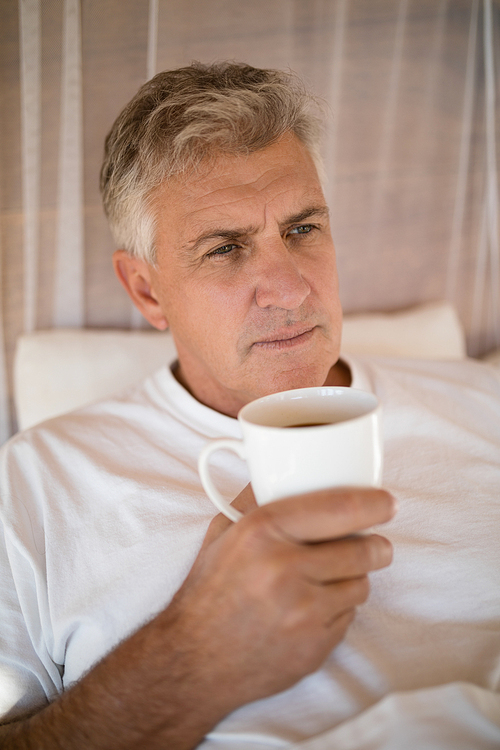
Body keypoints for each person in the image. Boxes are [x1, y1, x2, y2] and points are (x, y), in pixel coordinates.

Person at [0, 62, 499, 750]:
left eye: (301, 230)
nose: (290, 290)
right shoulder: (30, 488)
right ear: (146, 291)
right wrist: (190, 661)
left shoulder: (486, 404)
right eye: (226, 248)